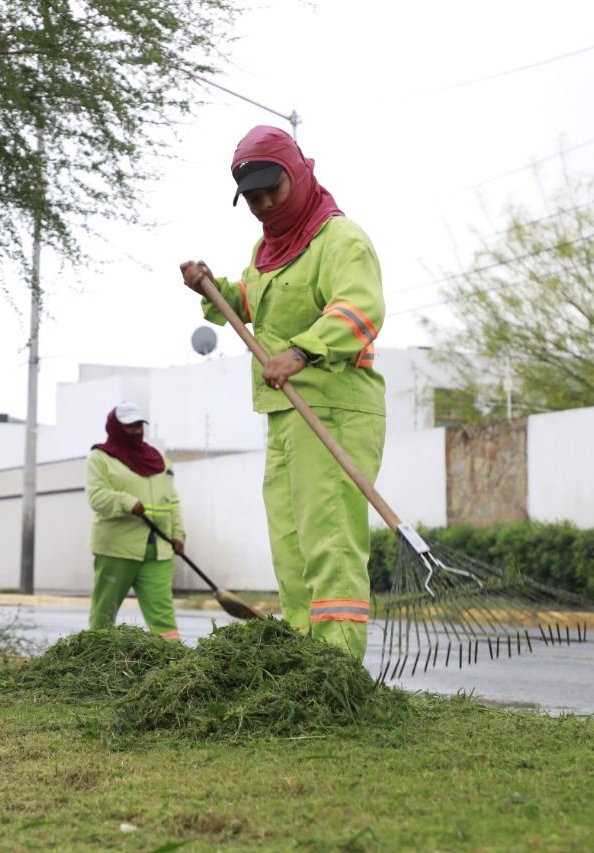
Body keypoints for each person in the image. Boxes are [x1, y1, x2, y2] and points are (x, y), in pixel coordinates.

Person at [178, 125, 386, 660]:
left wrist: (300, 352)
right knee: (292, 548)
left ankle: (339, 666)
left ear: (298, 173)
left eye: (274, 189)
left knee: (330, 542)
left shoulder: (341, 240)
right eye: (252, 197)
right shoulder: (266, 251)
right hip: (285, 415)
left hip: (334, 409)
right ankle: (304, 658)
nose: (265, 204)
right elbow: (252, 305)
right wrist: (214, 288)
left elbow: (361, 310)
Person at [84, 402, 185, 641]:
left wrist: (179, 535)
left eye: (139, 425)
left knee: (163, 616)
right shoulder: (100, 458)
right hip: (117, 549)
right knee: (105, 613)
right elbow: (96, 498)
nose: (135, 431)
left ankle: (176, 664)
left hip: (159, 551)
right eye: (129, 426)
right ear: (115, 427)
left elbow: (172, 503)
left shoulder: (159, 461)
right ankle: (94, 662)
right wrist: (126, 502)